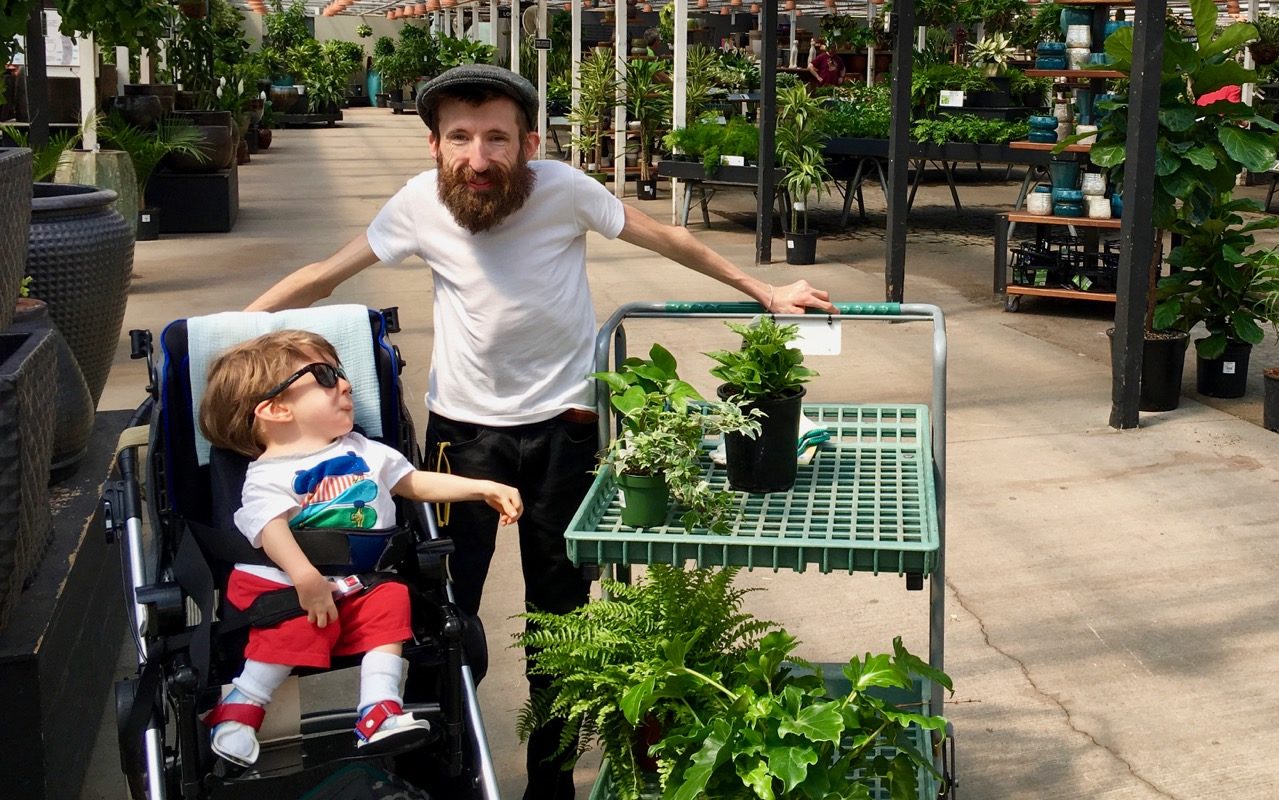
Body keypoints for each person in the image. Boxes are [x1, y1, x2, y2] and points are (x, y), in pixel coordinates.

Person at [244, 64, 835, 799]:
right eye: (460, 137)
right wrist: (230, 333)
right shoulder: (419, 205)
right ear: (434, 145)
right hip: (463, 443)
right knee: (439, 613)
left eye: (497, 138)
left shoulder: (563, 190)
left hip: (565, 434)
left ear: (527, 143)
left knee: (560, 626)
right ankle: (443, 769)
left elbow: (667, 238)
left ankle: (548, 784)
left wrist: (767, 289)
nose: (479, 157)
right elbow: (325, 275)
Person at [197, 329, 523, 768]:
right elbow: (269, 530)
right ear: (276, 409)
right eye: (326, 376)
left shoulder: (364, 449)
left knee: (393, 598)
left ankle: (379, 709)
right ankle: (240, 707)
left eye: (342, 374)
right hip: (285, 587)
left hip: (358, 584)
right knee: (295, 623)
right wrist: (304, 576)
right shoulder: (267, 475)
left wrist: (481, 487)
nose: (346, 384)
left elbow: (413, 482)